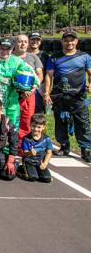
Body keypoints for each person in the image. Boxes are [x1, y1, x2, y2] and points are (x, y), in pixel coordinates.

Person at [44, 30, 91, 161]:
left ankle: (85, 149)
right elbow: (48, 76)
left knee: (83, 123)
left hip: (78, 96)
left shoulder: (85, 57)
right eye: (66, 40)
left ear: (76, 41)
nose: (69, 42)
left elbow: (90, 73)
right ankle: (64, 146)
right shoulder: (54, 57)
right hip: (59, 96)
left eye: (72, 40)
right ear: (62, 41)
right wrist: (47, 93)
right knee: (60, 122)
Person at [0, 38, 38, 129]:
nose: (4, 51)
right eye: (2, 48)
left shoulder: (17, 61)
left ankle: (13, 143)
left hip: (13, 103)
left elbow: (34, 77)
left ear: (12, 49)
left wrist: (30, 89)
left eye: (8, 49)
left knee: (13, 128)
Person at [13, 34, 43, 143]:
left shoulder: (33, 57)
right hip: (12, 95)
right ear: (15, 43)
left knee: (26, 121)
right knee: (10, 121)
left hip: (28, 96)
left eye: (25, 42)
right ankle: (10, 146)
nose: (23, 44)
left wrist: (32, 89)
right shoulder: (8, 57)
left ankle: (23, 146)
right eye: (20, 41)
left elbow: (40, 75)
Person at [19, 114, 53, 183]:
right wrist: (30, 153)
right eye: (33, 126)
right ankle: (20, 169)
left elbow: (49, 152)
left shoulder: (46, 139)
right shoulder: (26, 139)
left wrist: (45, 163)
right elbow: (24, 153)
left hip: (39, 161)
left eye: (39, 127)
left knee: (46, 178)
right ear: (30, 125)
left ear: (43, 127)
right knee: (33, 177)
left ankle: (37, 170)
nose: (36, 129)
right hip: (29, 161)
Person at [28, 32, 48, 114]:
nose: (35, 42)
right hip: (24, 87)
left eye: (37, 40)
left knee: (38, 113)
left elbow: (48, 75)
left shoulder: (44, 55)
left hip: (39, 88)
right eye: (32, 39)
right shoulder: (22, 54)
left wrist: (47, 92)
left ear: (40, 42)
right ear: (29, 40)